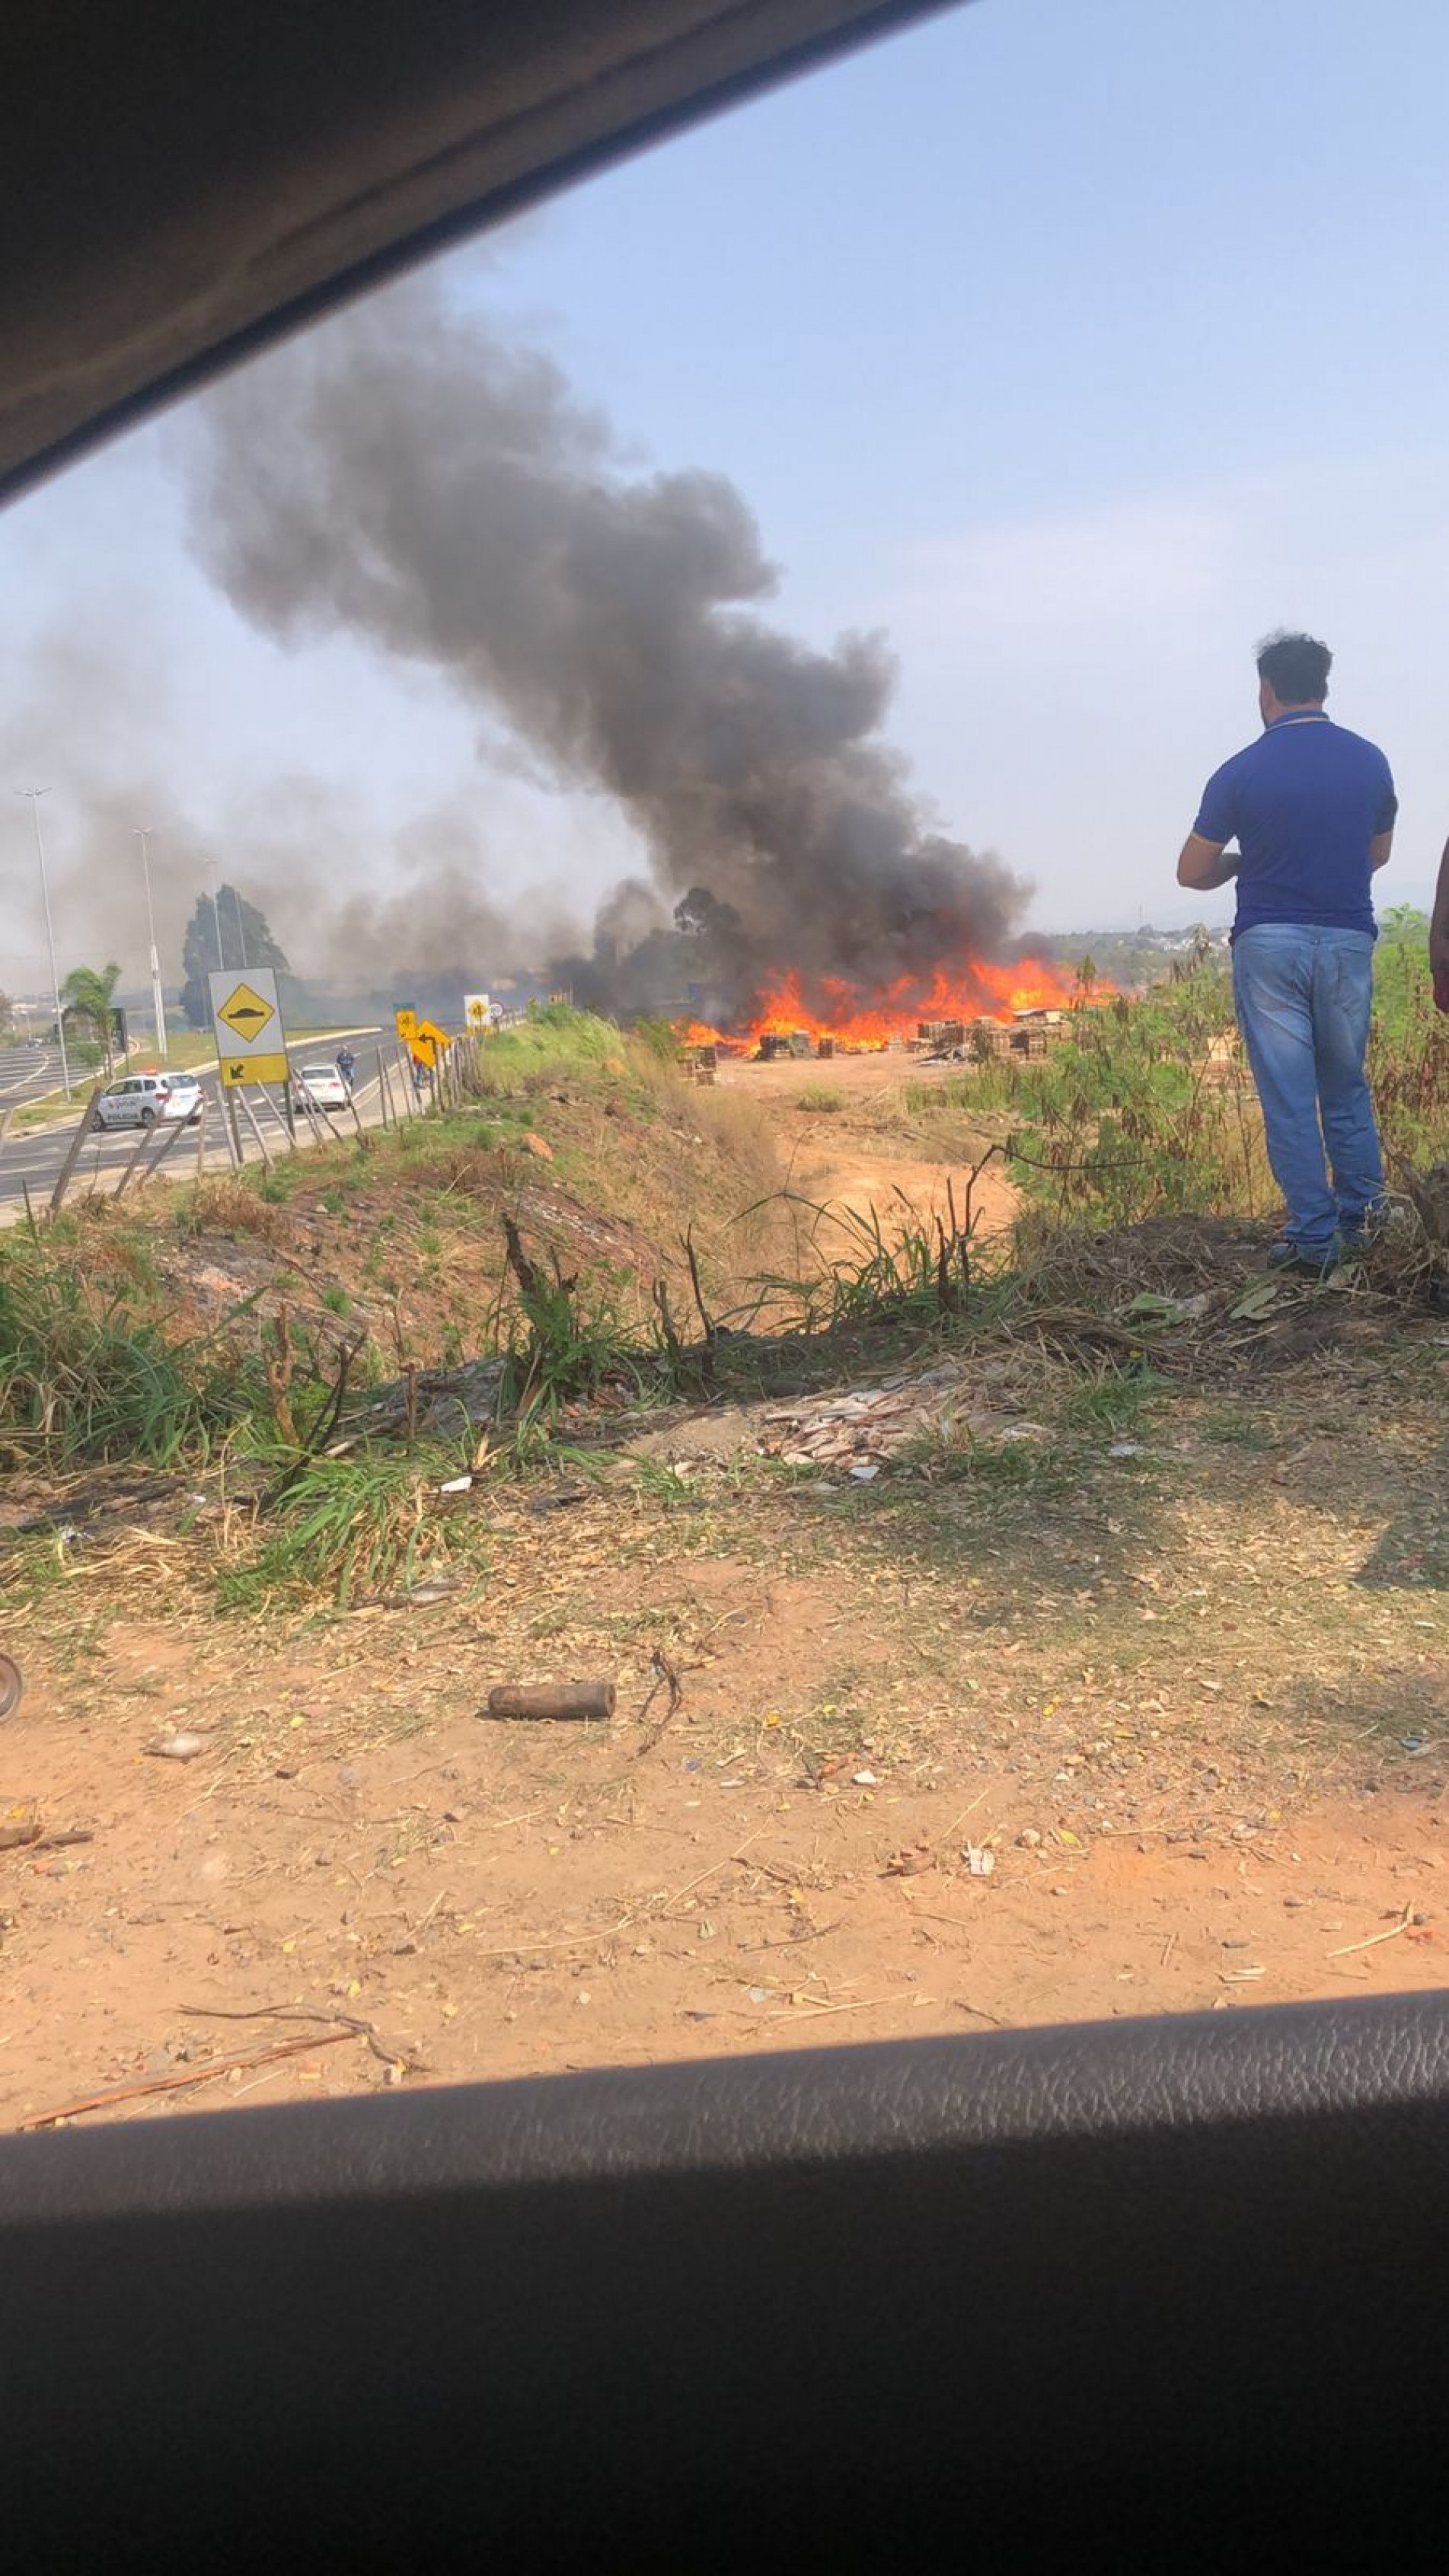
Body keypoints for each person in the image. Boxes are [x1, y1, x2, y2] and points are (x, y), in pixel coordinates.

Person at [1176, 631, 1396, 1275]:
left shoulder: (1240, 770)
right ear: (1322, 687)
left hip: (1271, 943)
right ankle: (1365, 1222)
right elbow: (1377, 855)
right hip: (1347, 938)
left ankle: (1312, 1240)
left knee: (1289, 1097)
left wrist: (1245, 860)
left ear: (1265, 691)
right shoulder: (1370, 761)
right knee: (1345, 1086)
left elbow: (1191, 871)